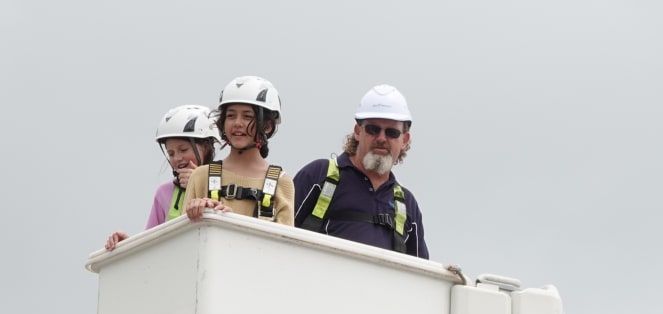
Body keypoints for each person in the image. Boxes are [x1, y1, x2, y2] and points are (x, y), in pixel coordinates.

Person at [293, 84, 428, 258]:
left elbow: (421, 273)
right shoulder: (319, 176)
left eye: (392, 132)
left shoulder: (407, 205)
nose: (381, 138)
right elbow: (278, 236)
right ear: (357, 131)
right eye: (373, 129)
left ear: (404, 140)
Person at [104, 105, 219, 250]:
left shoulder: (224, 180)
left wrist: (198, 182)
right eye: (171, 153)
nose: (177, 158)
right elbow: (149, 243)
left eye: (183, 150)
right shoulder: (164, 192)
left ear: (206, 147)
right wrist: (126, 243)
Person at [183, 76, 294, 226]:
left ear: (267, 126)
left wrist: (232, 222)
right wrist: (196, 210)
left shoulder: (281, 182)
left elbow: (284, 244)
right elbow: (186, 237)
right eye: (230, 116)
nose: (237, 123)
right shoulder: (201, 176)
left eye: (247, 116)